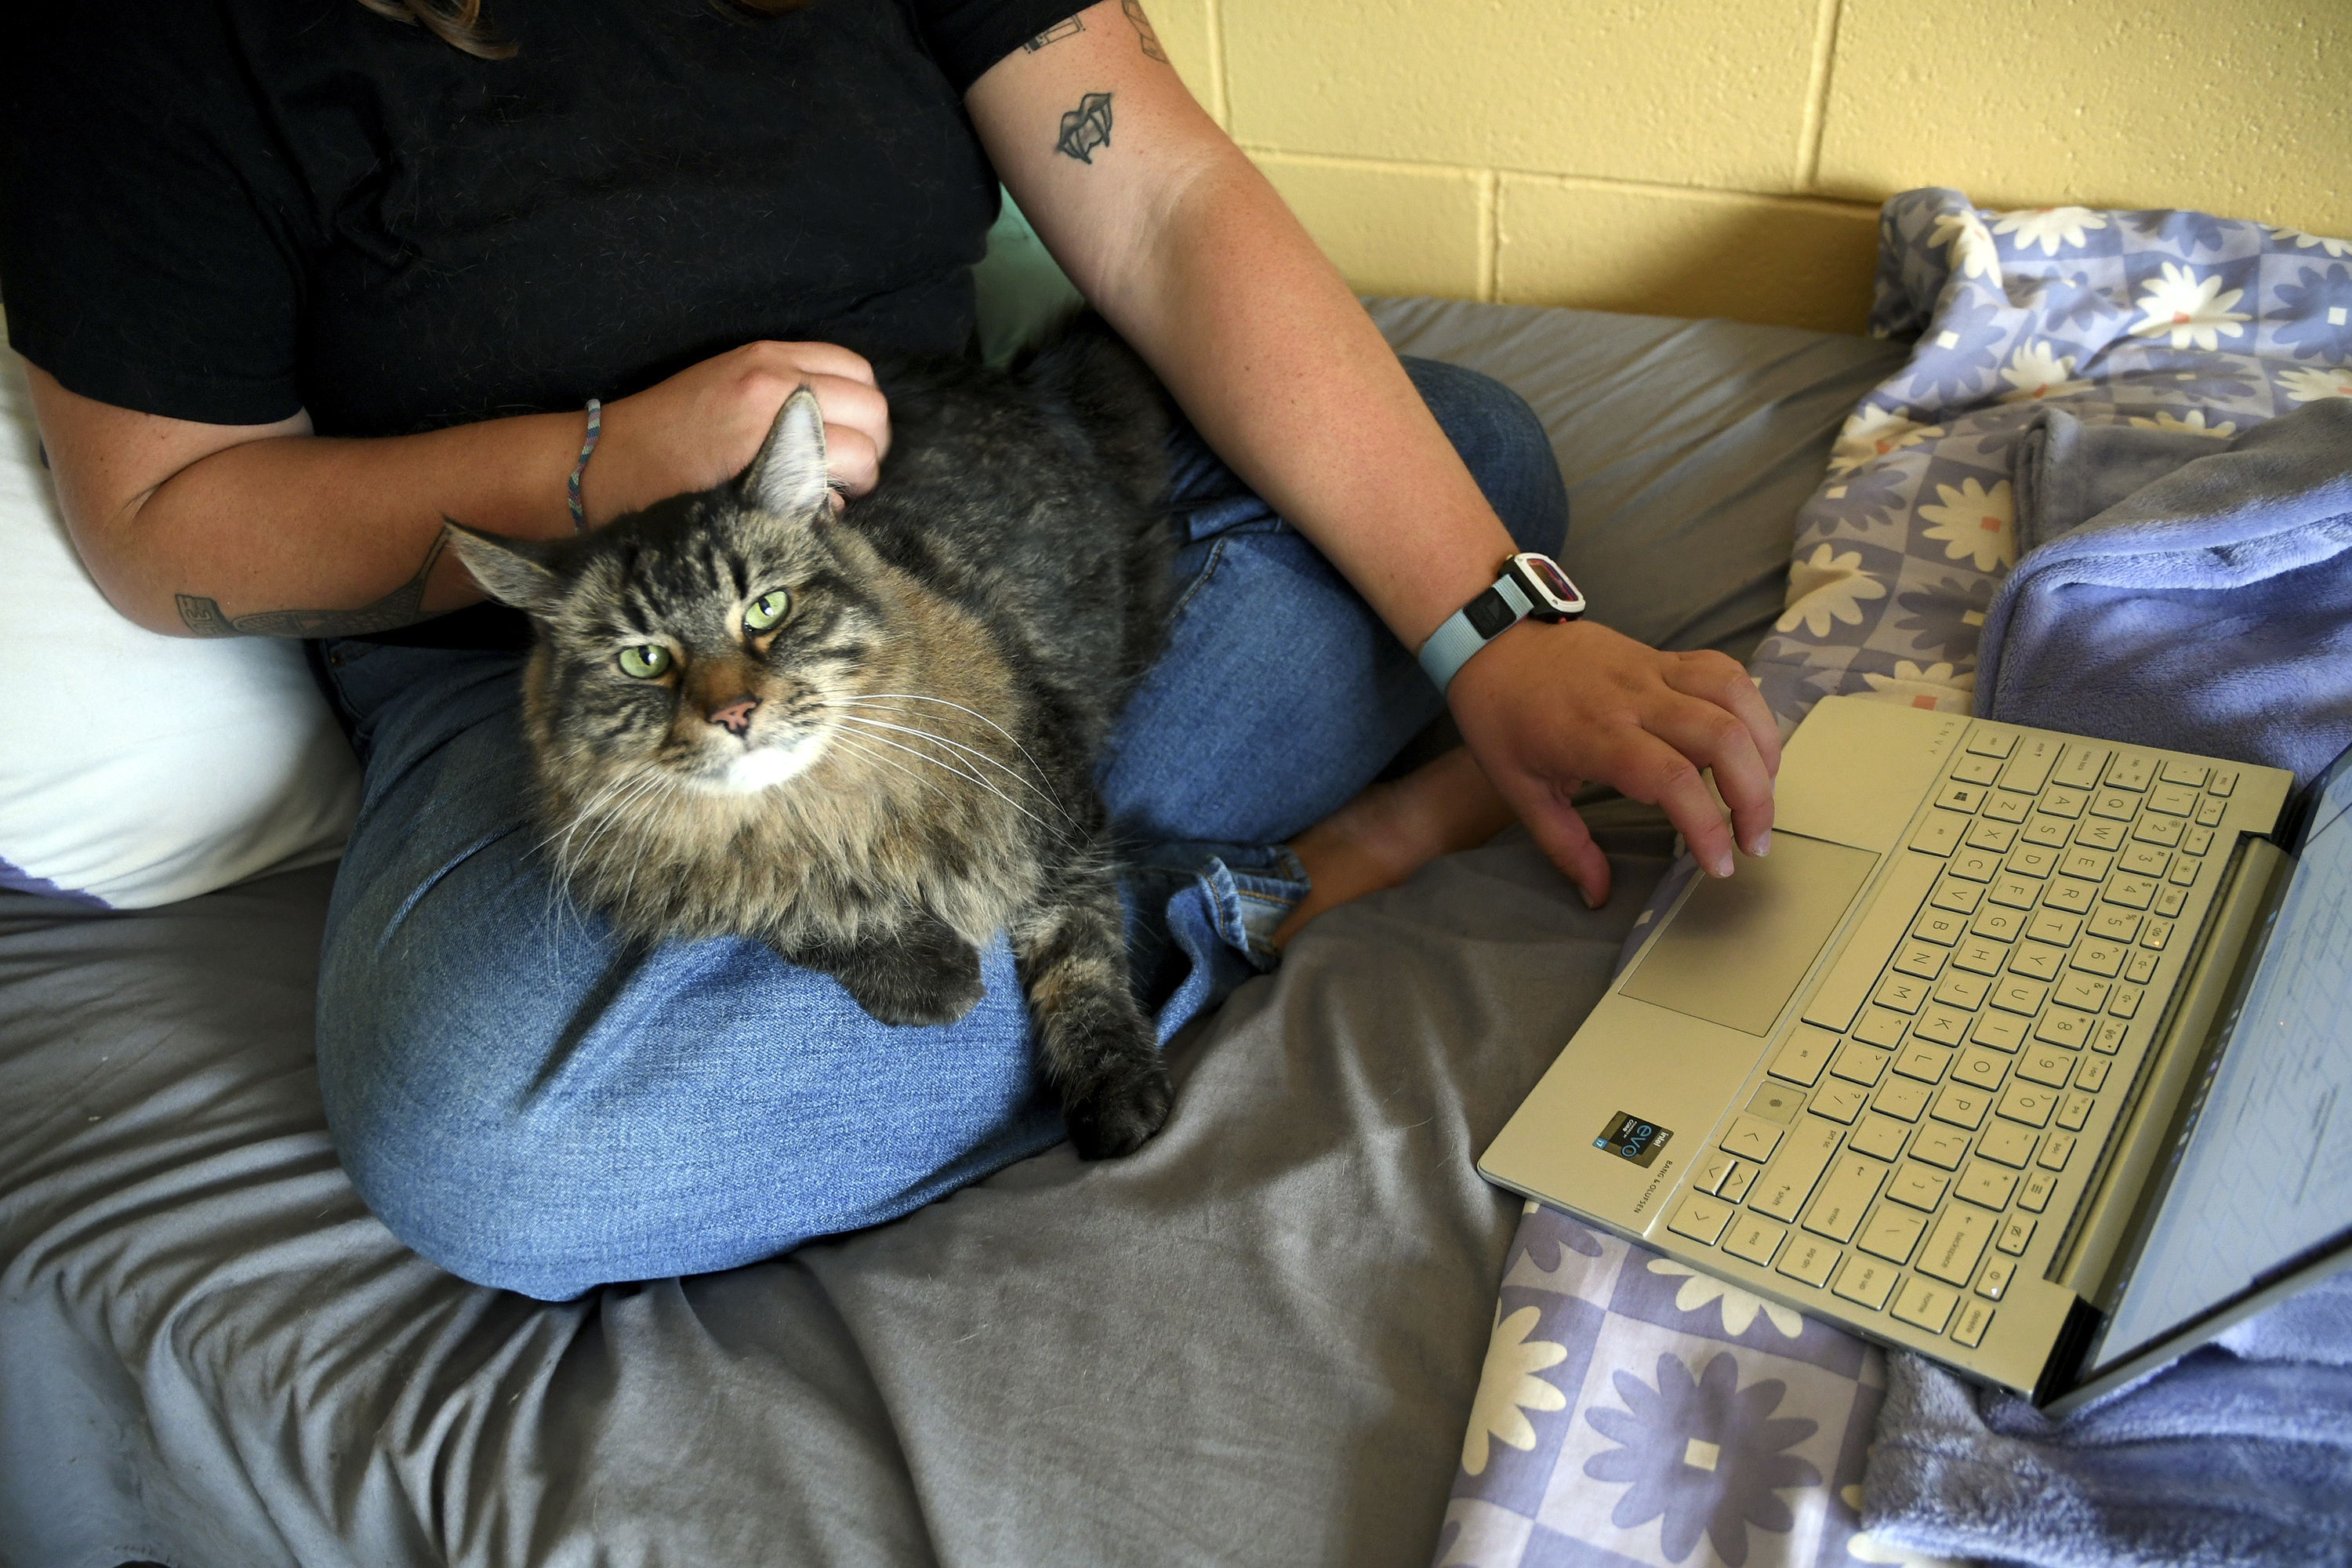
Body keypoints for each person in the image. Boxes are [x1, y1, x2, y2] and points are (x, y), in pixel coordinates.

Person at [1, 0, 1777, 1298]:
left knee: (1466, 463)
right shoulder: (148, 47)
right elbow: (166, 520)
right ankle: (1274, 878)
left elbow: (1154, 203)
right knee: (495, 1145)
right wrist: (597, 462)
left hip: (968, 525)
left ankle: (1050, 898)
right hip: (558, 662)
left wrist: (1491, 623)